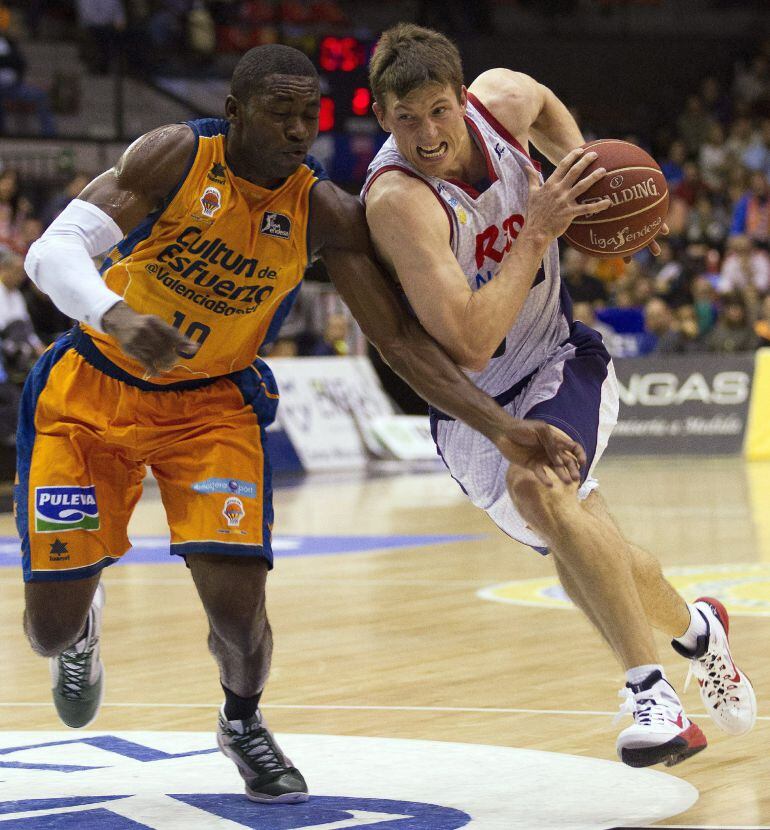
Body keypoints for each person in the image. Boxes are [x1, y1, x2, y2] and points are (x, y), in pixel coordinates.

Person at [19, 43, 584, 804]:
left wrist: (500, 428)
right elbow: (50, 253)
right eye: (277, 112)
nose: (296, 130)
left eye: (306, 115)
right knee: (48, 630)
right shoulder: (174, 158)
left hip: (212, 408)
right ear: (233, 113)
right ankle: (81, 626)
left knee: (240, 617)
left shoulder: (324, 210)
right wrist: (116, 315)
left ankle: (242, 720)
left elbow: (400, 342)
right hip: (92, 392)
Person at [362, 23, 756, 768]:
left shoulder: (501, 100)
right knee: (584, 537)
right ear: (382, 116)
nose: (427, 134)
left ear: (461, 95)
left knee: (539, 485)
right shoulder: (400, 202)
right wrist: (538, 231)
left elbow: (542, 105)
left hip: (556, 359)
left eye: (439, 110)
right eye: (405, 118)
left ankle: (652, 697)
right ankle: (700, 632)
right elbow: (471, 340)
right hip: (471, 405)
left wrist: (581, 174)